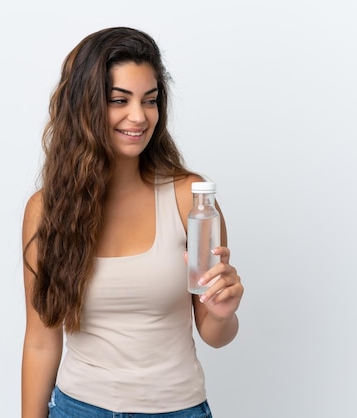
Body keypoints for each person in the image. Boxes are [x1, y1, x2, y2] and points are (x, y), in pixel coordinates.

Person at [21, 27, 244, 418]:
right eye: (118, 100)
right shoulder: (46, 211)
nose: (139, 117)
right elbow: (41, 341)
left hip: (178, 410)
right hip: (78, 409)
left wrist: (224, 313)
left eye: (150, 100)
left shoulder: (191, 201)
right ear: (84, 107)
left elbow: (214, 334)